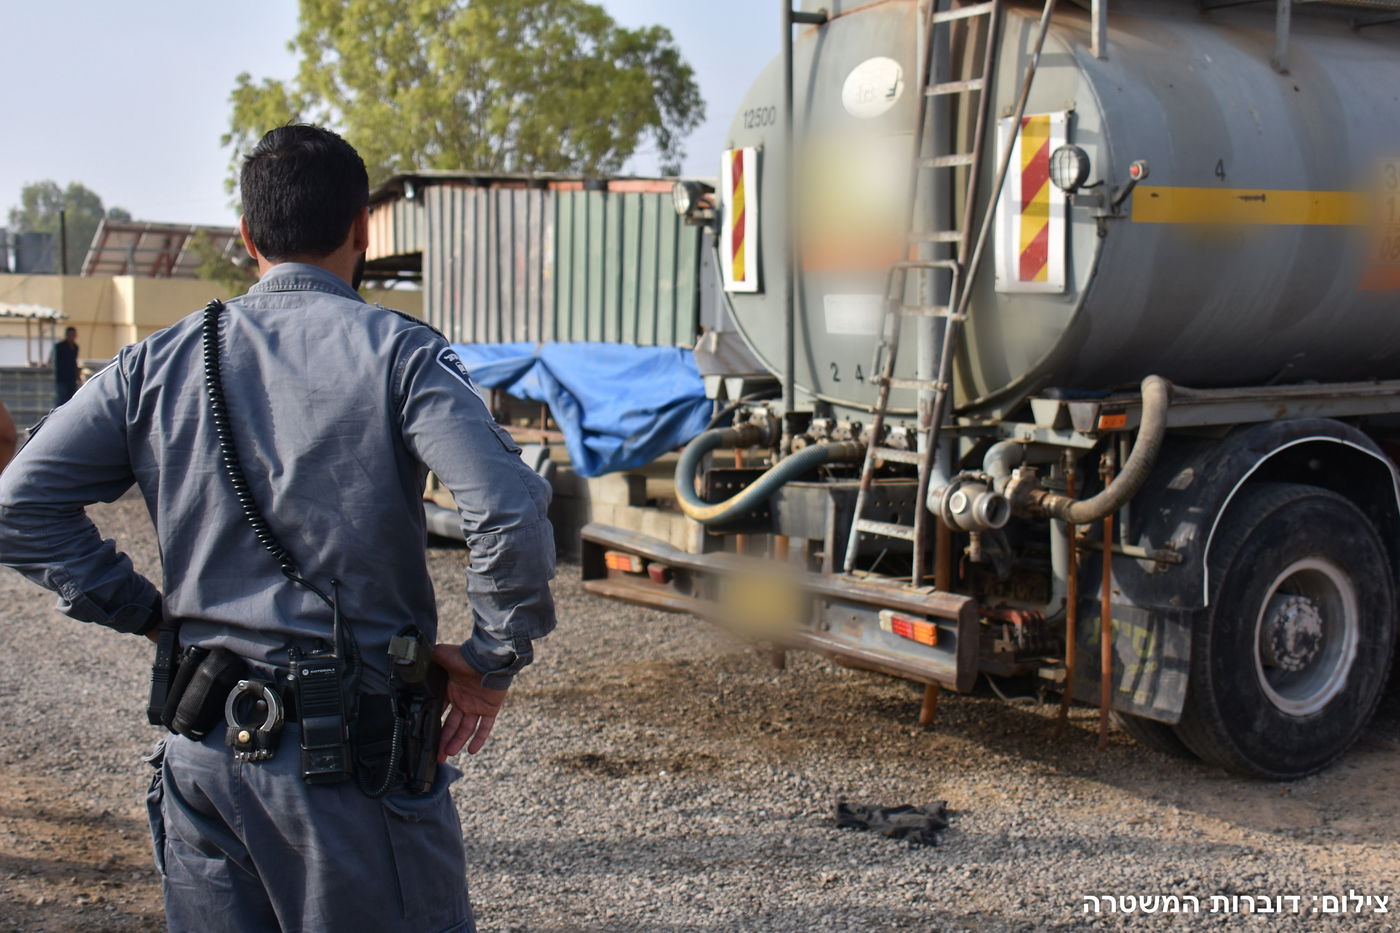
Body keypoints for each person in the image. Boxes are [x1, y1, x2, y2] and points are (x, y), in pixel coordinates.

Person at [0, 124, 557, 932]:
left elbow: (19, 505)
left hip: (203, 766)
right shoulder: (400, 355)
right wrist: (489, 658)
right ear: (363, 229)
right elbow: (507, 508)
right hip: (354, 778)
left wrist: (144, 611)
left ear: (247, 237)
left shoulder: (153, 362)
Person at [52, 326, 79, 406]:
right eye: (71, 335)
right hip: (62, 378)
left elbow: (74, 362)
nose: (72, 337)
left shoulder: (75, 347)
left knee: (72, 399)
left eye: (74, 335)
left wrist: (78, 375)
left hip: (72, 378)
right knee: (61, 400)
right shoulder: (60, 346)